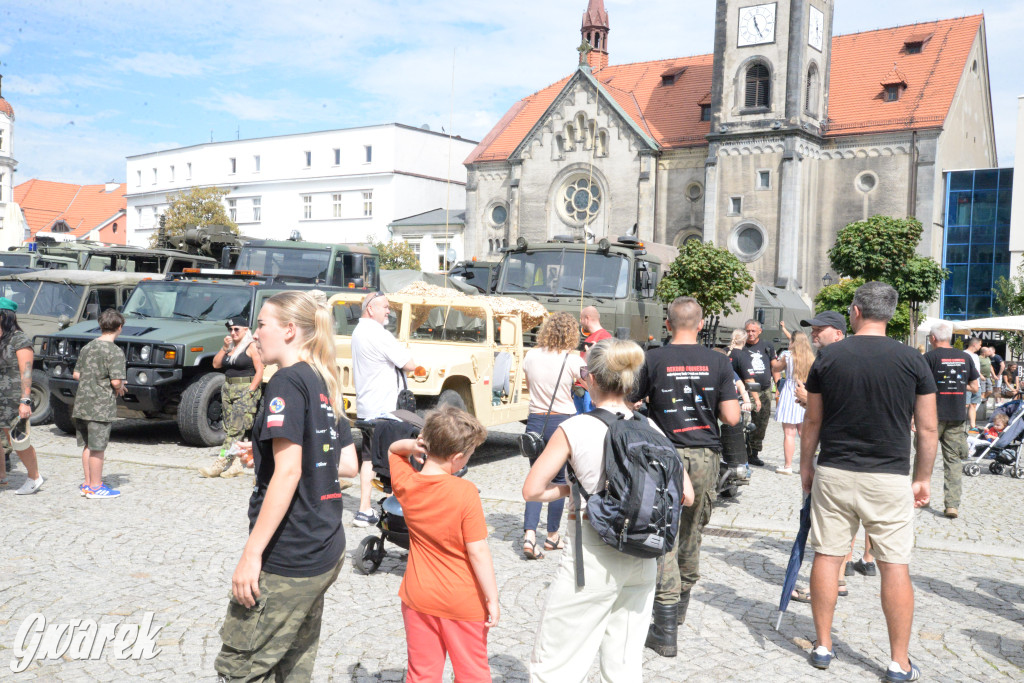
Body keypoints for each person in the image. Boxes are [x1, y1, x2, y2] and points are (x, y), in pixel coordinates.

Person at [525, 338, 694, 680]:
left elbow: (532, 490)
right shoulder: (649, 426)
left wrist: (572, 488)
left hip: (593, 552)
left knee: (558, 660)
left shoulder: (575, 427)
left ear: (591, 379)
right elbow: (686, 494)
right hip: (643, 555)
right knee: (624, 663)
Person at [214, 291, 360, 681]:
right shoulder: (323, 379)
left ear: (290, 330)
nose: (255, 334)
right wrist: (263, 452)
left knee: (241, 668)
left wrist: (251, 554)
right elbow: (346, 463)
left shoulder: (286, 382)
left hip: (290, 552)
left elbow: (290, 472)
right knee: (294, 662)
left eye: (262, 324)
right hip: (325, 545)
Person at [800, 281, 937, 681]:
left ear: (855, 312)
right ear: (890, 314)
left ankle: (824, 645)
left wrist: (806, 465)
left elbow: (812, 419)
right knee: (895, 565)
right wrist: (923, 478)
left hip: (836, 470)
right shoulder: (913, 360)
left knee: (827, 555)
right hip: (890, 474)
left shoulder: (828, 358)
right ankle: (898, 661)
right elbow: (927, 430)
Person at [630, 297, 740, 657]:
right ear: (701, 323)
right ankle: (676, 615)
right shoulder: (719, 361)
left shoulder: (654, 358)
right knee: (692, 533)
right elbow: (733, 418)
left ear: (667, 324)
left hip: (664, 455)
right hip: (704, 458)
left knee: (664, 536)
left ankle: (663, 630)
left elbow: (632, 402)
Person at [388, 407, 495, 682]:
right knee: (472, 673)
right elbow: (478, 551)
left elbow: (392, 450)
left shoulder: (407, 484)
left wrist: (413, 446)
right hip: (462, 601)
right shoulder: (465, 492)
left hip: (418, 596)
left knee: (422, 674)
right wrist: (492, 598)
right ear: (458, 458)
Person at [521, 312, 586, 559]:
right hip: (562, 421)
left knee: (536, 478)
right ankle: (552, 536)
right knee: (559, 480)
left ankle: (529, 535)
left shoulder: (531, 355)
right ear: (571, 333)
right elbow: (590, 382)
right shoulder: (571, 359)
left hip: (535, 421)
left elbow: (529, 385)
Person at [351, 291, 416, 528]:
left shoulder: (358, 331)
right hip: (386, 409)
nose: (389, 311)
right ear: (371, 309)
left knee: (369, 457)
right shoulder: (379, 333)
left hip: (367, 405)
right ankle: (392, 511)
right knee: (396, 457)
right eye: (385, 307)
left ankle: (364, 509)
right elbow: (409, 364)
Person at [923, 320, 979, 519]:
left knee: (923, 458)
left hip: (931, 416)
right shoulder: (965, 357)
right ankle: (952, 505)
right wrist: (958, 386)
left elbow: (920, 388)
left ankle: (921, 498)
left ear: (932, 338)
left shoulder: (928, 357)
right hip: (956, 415)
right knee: (953, 461)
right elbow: (975, 386)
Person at [72, 309, 127, 499]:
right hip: (100, 405)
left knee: (88, 445)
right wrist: (120, 386)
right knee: (98, 448)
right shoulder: (115, 351)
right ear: (120, 327)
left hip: (82, 404)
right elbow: (115, 382)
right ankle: (96, 487)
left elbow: (76, 374)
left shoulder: (87, 347)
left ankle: (88, 484)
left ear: (101, 325)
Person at [200, 316, 265, 478]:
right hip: (229, 389)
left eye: (237, 329)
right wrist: (224, 347)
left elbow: (260, 370)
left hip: (245, 390)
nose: (233, 332)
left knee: (235, 431)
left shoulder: (251, 347)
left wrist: (251, 391)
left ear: (245, 330)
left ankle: (220, 463)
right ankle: (236, 465)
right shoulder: (232, 348)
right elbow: (216, 364)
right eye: (230, 329)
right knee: (230, 428)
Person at [0, 297, 44, 494]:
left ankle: (34, 477)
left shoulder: (19, 339)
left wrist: (26, 401)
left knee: (17, 440)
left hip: (15, 398)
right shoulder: (2, 339)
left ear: (4, 316)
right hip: (1, 397)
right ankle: (1, 477)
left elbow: (27, 372)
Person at [732, 319, 776, 466]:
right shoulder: (740, 348)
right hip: (744, 391)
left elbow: (774, 368)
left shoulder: (767, 346)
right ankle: (739, 451)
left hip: (764, 390)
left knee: (761, 423)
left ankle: (753, 453)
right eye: (748, 331)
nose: (750, 334)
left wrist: (779, 386)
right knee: (741, 422)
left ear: (760, 331)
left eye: (753, 331)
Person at [771, 330, 814, 474]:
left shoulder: (787, 356)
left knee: (789, 433)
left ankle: (788, 466)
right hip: (805, 392)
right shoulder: (811, 357)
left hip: (790, 393)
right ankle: (807, 466)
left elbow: (775, 368)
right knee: (804, 433)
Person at [964, 336, 983, 432]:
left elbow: (976, 369)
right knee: (965, 404)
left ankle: (973, 425)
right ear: (974, 344)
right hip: (968, 384)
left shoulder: (976, 356)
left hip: (977, 384)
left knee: (973, 404)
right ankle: (960, 424)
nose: (980, 347)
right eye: (980, 344)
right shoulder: (964, 354)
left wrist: (981, 376)